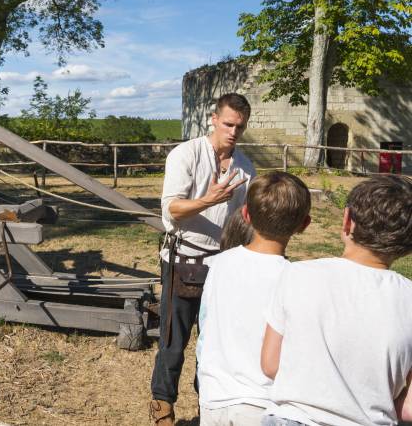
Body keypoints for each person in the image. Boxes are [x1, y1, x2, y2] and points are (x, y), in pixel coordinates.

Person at [261, 175, 412, 426]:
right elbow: (408, 409)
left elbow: (270, 364)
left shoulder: (298, 274)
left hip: (294, 417)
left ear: (347, 221)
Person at [150, 93, 256, 426]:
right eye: (228, 124)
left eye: (240, 126)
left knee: (212, 344)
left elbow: (244, 218)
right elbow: (172, 209)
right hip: (183, 257)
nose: (233, 131)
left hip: (222, 264)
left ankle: (206, 409)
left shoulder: (246, 167)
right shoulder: (186, 154)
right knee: (173, 340)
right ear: (213, 119)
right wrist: (208, 199)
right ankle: (162, 408)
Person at [196, 172, 311, 426]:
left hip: (214, 396)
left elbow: (205, 327)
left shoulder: (219, 264)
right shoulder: (294, 278)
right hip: (263, 402)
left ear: (246, 214)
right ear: (304, 224)